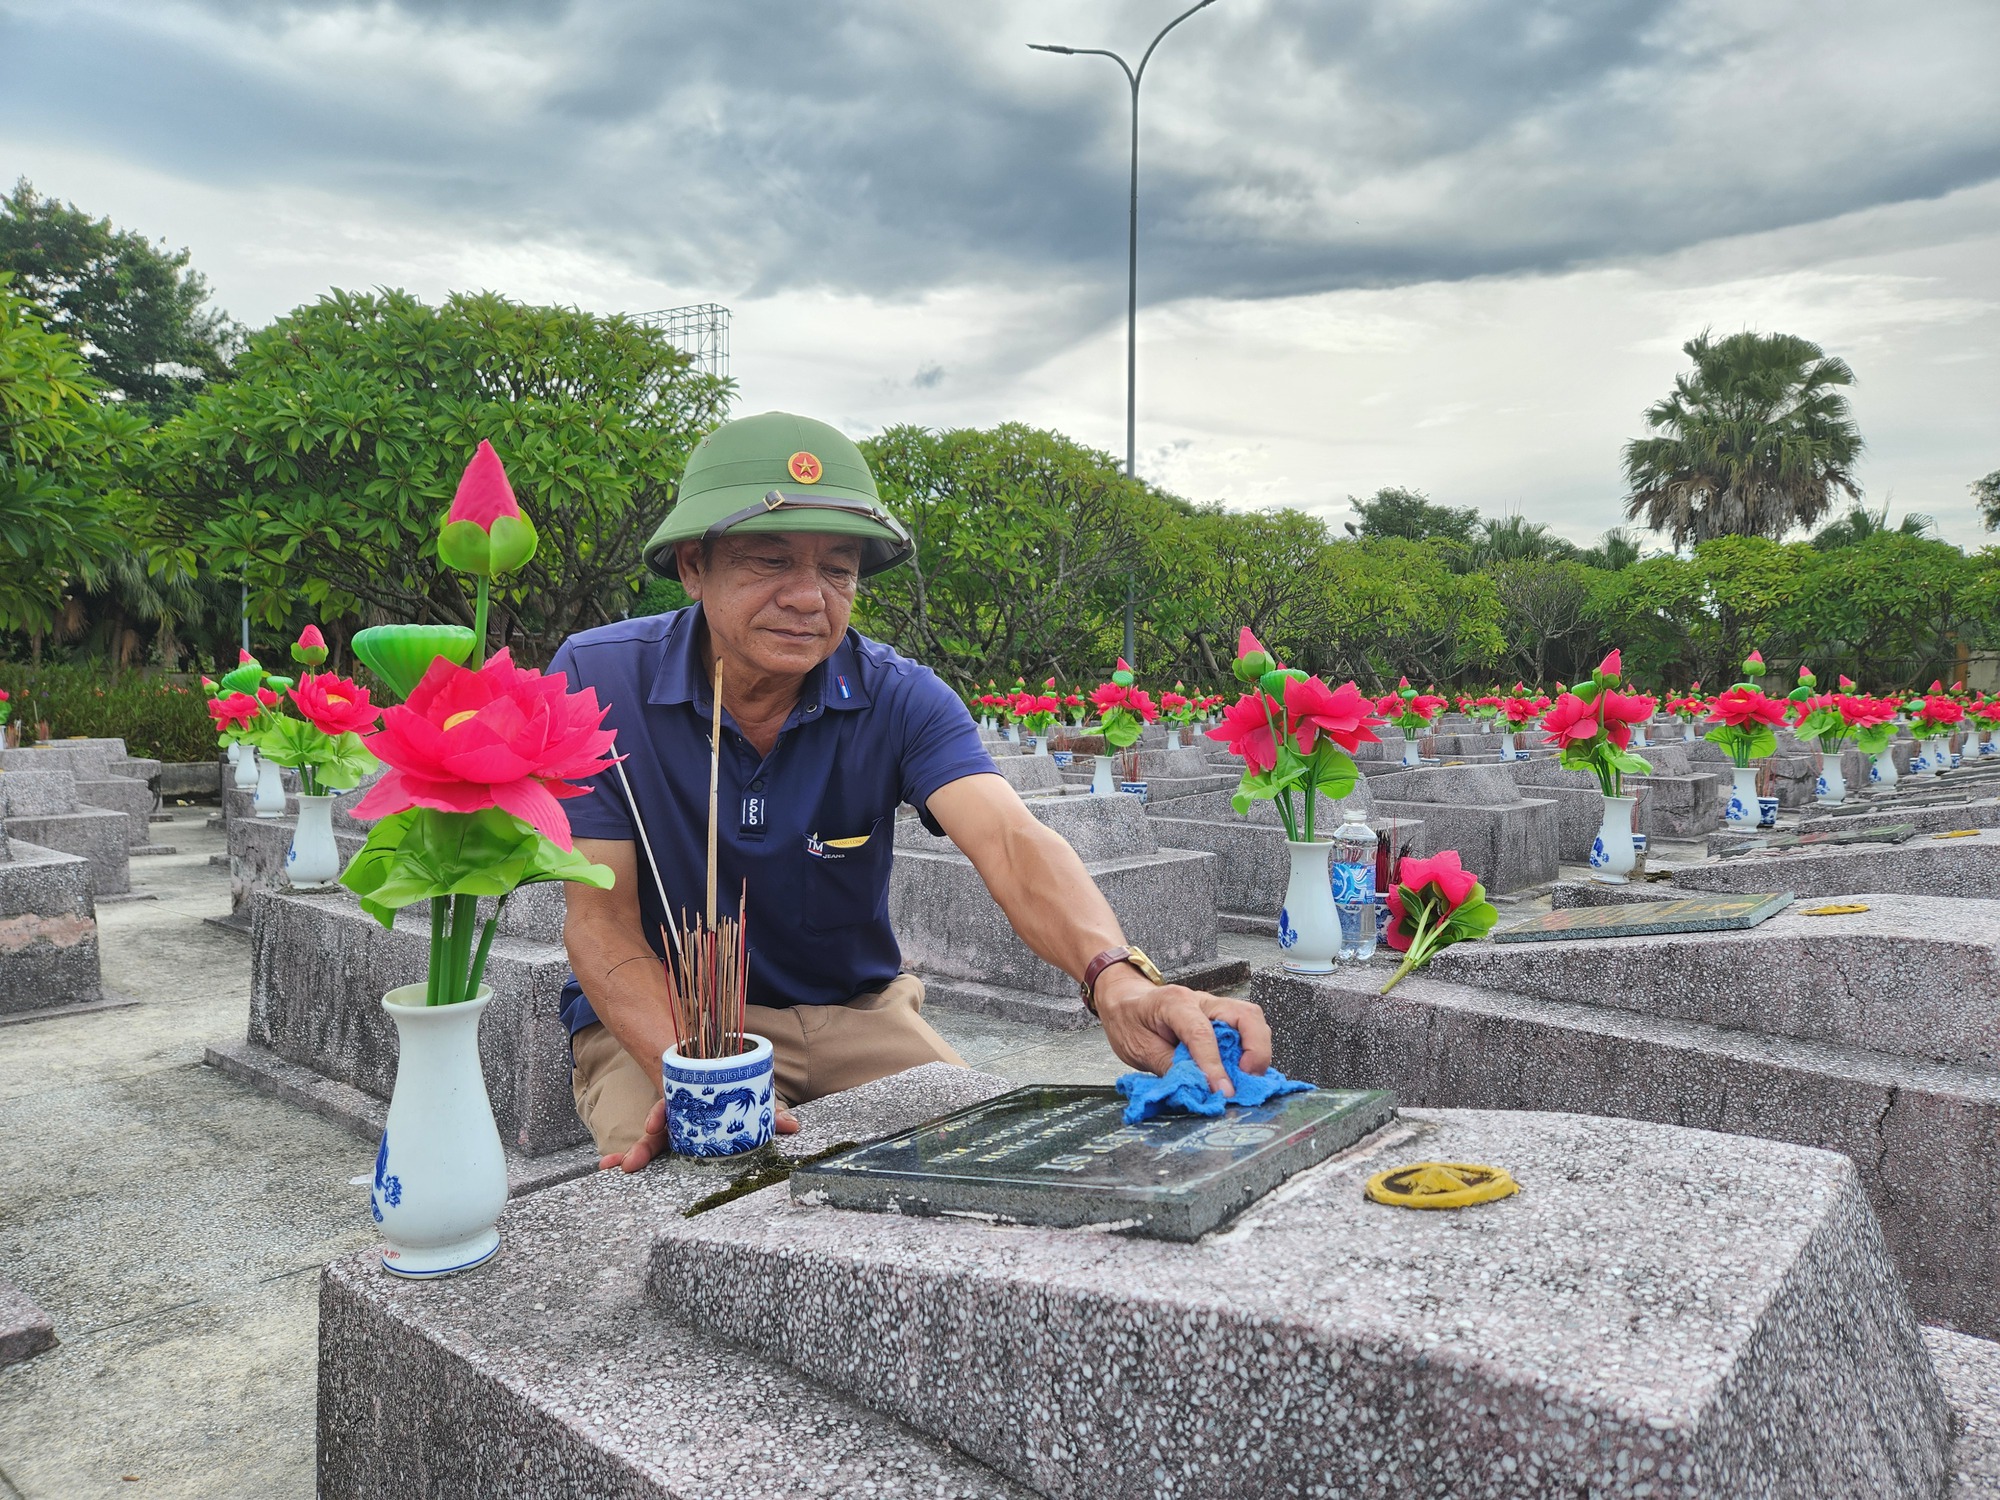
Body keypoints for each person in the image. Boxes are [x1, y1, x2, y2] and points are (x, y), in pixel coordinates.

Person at [553, 411, 1271, 1172]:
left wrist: (1116, 979)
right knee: (694, 1180)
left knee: (989, 1165)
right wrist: (696, 1071)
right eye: (769, 560)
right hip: (665, 1013)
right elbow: (598, 922)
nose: (809, 597)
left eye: (838, 569)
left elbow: (1009, 839)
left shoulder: (900, 696)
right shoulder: (600, 680)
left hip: (855, 1016)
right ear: (694, 567)